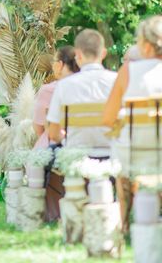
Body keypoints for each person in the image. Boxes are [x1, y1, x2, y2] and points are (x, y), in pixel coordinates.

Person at [103, 16, 162, 228]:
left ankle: (125, 222)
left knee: (122, 157)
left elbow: (108, 118)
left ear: (145, 46)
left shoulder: (128, 71)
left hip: (133, 152)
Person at [47, 29, 117, 156]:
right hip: (113, 155)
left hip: (76, 158)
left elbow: (53, 134)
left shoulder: (64, 85)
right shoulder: (116, 81)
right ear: (104, 53)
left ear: (77, 54)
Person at [33, 46, 79, 149]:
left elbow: (39, 130)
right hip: (84, 145)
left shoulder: (47, 90)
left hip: (54, 148)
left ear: (60, 65)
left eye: (54, 62)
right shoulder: (86, 88)